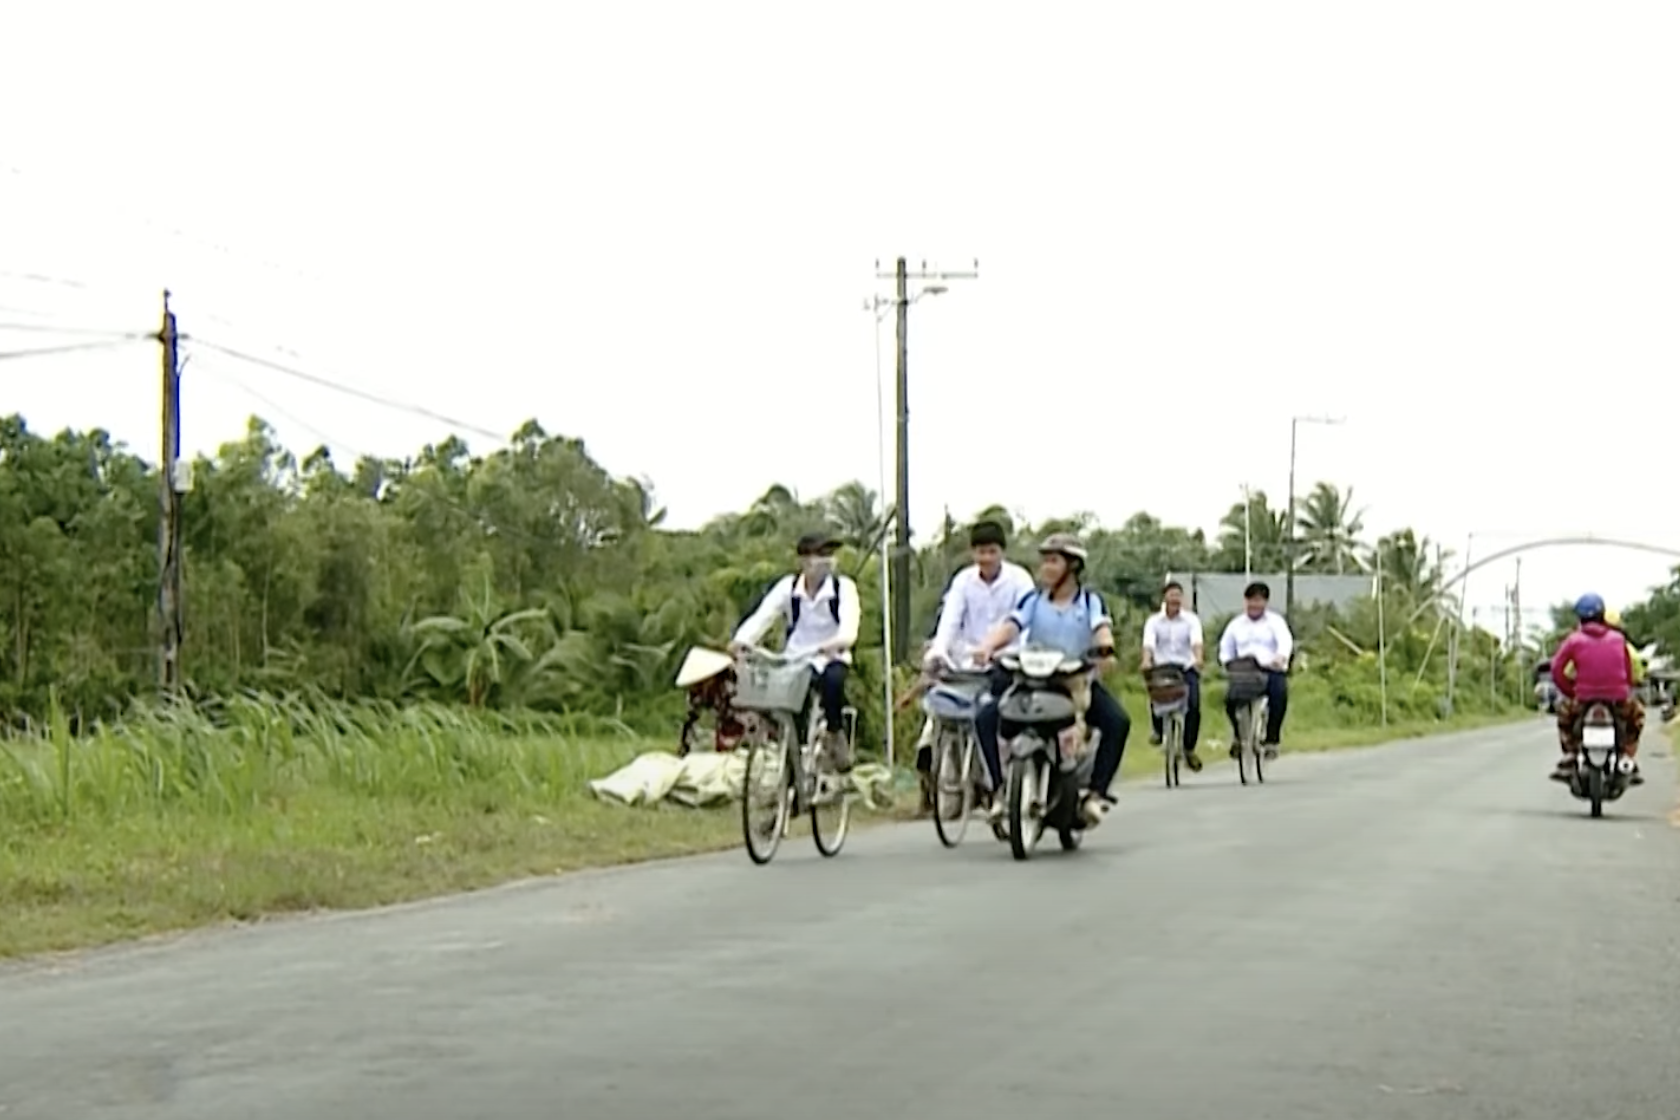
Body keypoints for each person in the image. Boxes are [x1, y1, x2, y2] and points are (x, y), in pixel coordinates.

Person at [969, 533, 1132, 826]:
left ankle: (1096, 794)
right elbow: (1011, 626)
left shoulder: (1089, 601)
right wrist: (987, 646)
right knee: (985, 717)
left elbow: (1102, 629)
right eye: (1044, 560)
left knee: (1118, 722)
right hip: (1032, 682)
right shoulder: (1033, 599)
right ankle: (998, 791)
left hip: (1074, 684)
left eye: (1053, 561)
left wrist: (1105, 649)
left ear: (1072, 566)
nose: (1045, 567)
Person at [911, 520, 1037, 805]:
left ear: (1002, 552)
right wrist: (939, 651)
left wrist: (1008, 652)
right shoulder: (963, 581)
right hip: (966, 662)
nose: (986, 559)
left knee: (994, 714)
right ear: (972, 553)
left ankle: (999, 782)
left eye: (991, 552)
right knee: (937, 712)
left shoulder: (1020, 580)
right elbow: (950, 620)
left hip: (1008, 661)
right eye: (980, 552)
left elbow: (1025, 625)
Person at [729, 530, 861, 771]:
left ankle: (835, 733)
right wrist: (741, 641)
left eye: (829, 554)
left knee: (833, 682)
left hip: (831, 654)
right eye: (819, 554)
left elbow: (849, 625)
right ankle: (792, 768)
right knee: (786, 702)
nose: (825, 560)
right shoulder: (788, 588)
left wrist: (839, 642)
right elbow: (763, 617)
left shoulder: (843, 588)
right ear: (803, 560)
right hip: (796, 658)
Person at [1548, 593, 1644, 785]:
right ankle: (1626, 757)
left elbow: (1557, 669)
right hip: (1617, 699)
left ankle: (1571, 754)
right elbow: (1628, 671)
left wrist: (1570, 691)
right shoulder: (1618, 639)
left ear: (1580, 618)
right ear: (1602, 615)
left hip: (1583, 698)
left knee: (1564, 717)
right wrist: (1623, 690)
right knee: (1637, 717)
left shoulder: (1574, 640)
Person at [1216, 581, 1293, 759]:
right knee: (1229, 701)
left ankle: (1272, 740)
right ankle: (1238, 736)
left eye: (1258, 600)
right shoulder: (1236, 625)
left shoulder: (1275, 622)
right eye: (1251, 600)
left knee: (1279, 694)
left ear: (1265, 602)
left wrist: (1280, 657)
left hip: (1269, 669)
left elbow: (1284, 642)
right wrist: (1227, 662)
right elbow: (1226, 647)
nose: (1254, 605)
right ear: (1246, 601)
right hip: (1244, 671)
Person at [1141, 579, 1205, 771]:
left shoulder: (1191, 620)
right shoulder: (1153, 621)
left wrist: (1198, 658)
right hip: (1162, 666)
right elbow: (1148, 644)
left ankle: (1189, 748)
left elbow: (1196, 642)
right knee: (1155, 694)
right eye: (1171, 595)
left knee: (1194, 705)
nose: (1175, 599)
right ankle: (1158, 731)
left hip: (1185, 666)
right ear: (1165, 598)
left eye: (1178, 595)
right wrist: (1146, 660)